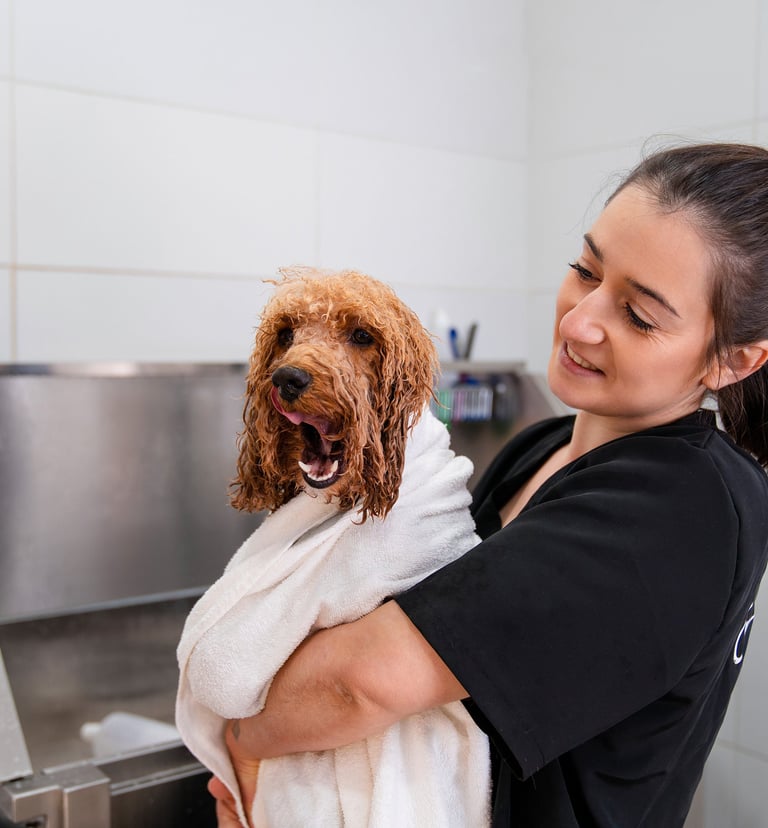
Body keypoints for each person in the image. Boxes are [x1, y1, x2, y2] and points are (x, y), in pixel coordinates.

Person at [211, 142, 768, 827]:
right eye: (585, 270)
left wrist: (241, 747)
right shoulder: (544, 446)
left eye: (639, 315)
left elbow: (361, 684)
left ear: (735, 359)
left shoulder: (682, 508)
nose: (579, 320)